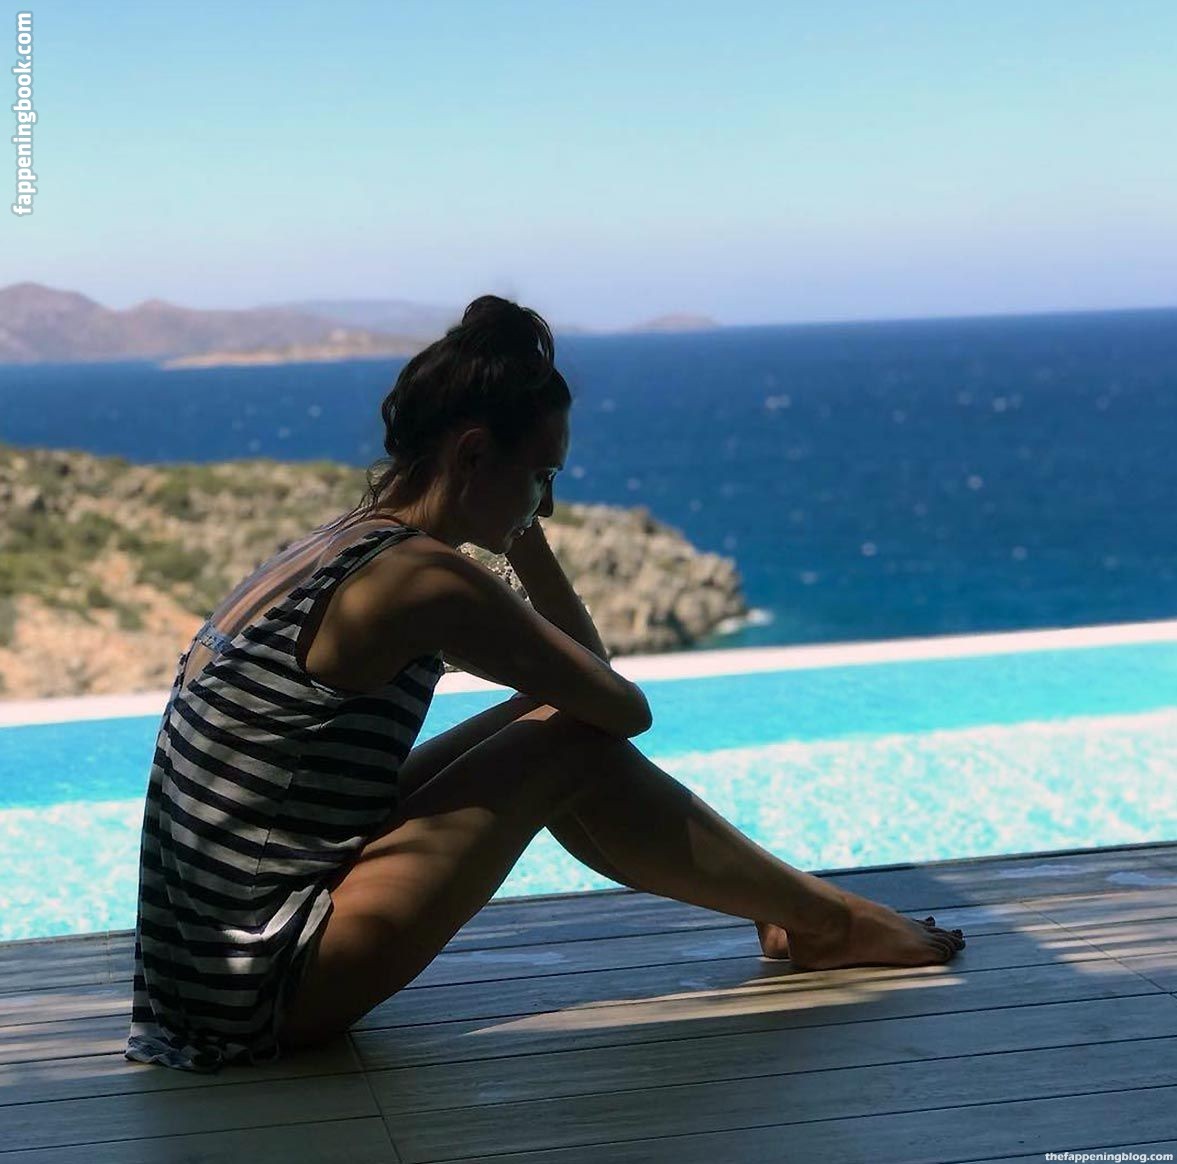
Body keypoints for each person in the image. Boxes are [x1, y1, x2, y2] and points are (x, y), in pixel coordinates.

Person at [124, 294, 965, 1072]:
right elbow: (619, 706)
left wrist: (512, 514)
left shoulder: (340, 543)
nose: (547, 507)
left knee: (548, 717)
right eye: (542, 476)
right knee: (572, 746)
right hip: (265, 984)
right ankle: (822, 920)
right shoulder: (421, 579)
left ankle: (789, 913)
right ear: (472, 453)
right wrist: (520, 536)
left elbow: (578, 684)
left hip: (201, 981)